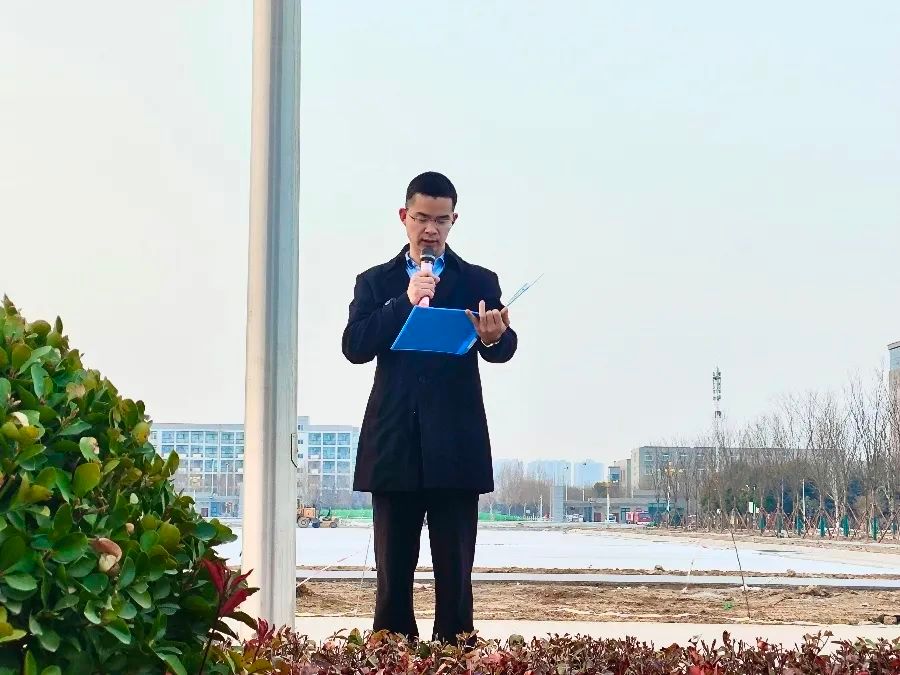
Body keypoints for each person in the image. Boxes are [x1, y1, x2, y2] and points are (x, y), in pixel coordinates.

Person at [341, 171, 517, 644]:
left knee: (456, 580)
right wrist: (405, 302)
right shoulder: (375, 282)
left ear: (454, 220)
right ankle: (391, 658)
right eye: (421, 218)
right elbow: (355, 346)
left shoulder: (477, 280)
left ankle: (455, 657)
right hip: (394, 444)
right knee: (392, 580)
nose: (431, 230)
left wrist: (494, 337)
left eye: (441, 220)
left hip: (455, 447)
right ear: (404, 217)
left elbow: (504, 346)